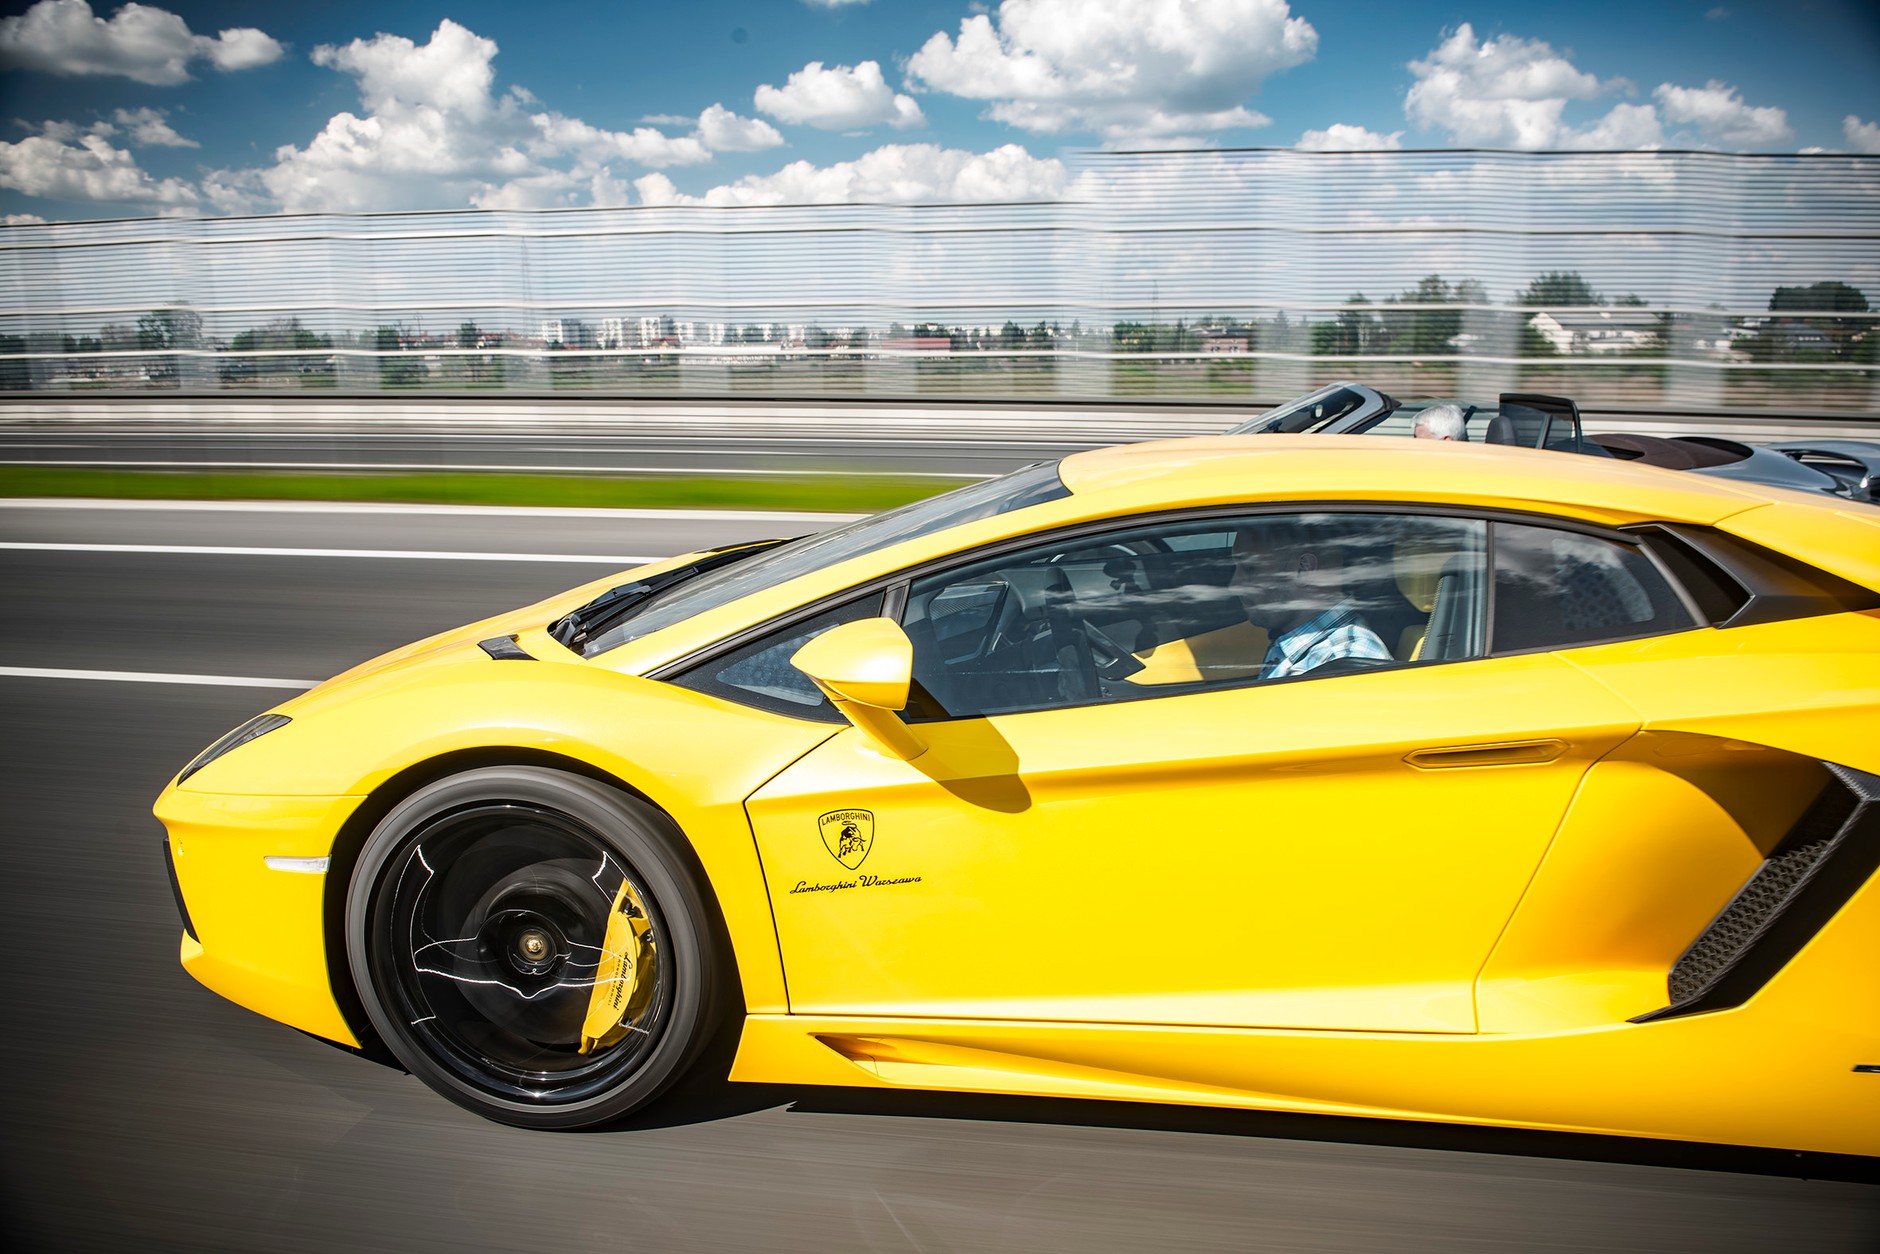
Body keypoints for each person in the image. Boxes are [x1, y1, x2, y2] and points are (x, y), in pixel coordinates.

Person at [1230, 524, 1393, 679]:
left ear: (1304, 570)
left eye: (1250, 568)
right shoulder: (1293, 643)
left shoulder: (1345, 661)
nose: (1234, 585)